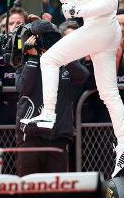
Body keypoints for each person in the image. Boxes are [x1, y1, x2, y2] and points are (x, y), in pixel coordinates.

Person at [22, 0, 124, 178]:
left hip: (101, 28)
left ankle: (48, 113)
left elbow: (108, 4)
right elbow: (83, 4)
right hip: (101, 30)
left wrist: (77, 9)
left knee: (49, 60)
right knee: (108, 91)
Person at [16, 20, 89, 176]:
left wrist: (62, 52)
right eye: (45, 38)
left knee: (57, 191)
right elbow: (23, 89)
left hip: (58, 137)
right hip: (31, 137)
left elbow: (82, 76)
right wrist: (34, 59)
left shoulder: (63, 60)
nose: (49, 42)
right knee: (28, 190)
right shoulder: (25, 61)